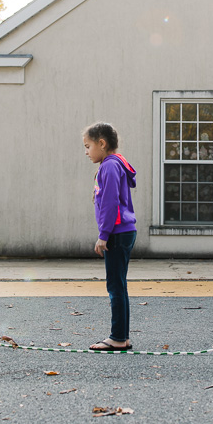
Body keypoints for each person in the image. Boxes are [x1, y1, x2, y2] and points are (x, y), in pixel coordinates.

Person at [83, 122, 137, 352]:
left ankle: (117, 337)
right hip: (123, 231)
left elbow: (110, 202)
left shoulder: (110, 166)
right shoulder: (115, 163)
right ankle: (122, 336)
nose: (86, 152)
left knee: (115, 286)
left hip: (117, 232)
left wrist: (103, 235)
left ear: (102, 143)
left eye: (88, 146)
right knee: (119, 285)